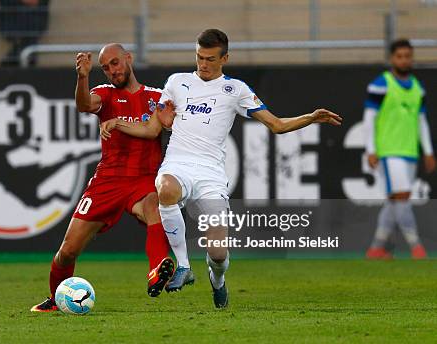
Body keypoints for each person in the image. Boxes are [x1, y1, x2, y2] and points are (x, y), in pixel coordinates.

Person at [100, 29, 341, 308]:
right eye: (199, 57)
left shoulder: (235, 90)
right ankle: (183, 266)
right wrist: (118, 122)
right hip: (178, 162)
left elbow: (276, 125)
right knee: (165, 189)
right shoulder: (177, 82)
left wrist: (310, 118)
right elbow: (153, 127)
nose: (203, 64)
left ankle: (218, 280)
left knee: (217, 253)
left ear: (225, 58)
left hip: (211, 172)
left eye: (210, 59)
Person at [30, 43, 176, 312]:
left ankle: (157, 270)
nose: (112, 71)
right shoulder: (105, 94)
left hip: (143, 179)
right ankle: (56, 298)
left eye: (115, 63)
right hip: (107, 181)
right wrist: (82, 76)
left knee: (154, 205)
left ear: (128, 59)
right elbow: (85, 104)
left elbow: (170, 124)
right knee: (68, 250)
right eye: (105, 67)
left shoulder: (158, 96)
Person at [364, 39, 434, 260]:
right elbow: (369, 118)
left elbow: (421, 121)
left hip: (410, 151)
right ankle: (417, 248)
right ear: (392, 59)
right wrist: (371, 149)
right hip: (389, 151)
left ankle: (376, 248)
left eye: (408, 56)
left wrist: (428, 151)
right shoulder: (381, 84)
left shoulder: (417, 88)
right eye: (400, 56)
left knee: (394, 201)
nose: (405, 60)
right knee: (402, 197)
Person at [0, 0, 50, 66]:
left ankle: (13, 58)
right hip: (12, 19)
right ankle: (17, 58)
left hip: (33, 20)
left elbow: (34, 2)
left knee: (30, 25)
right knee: (30, 26)